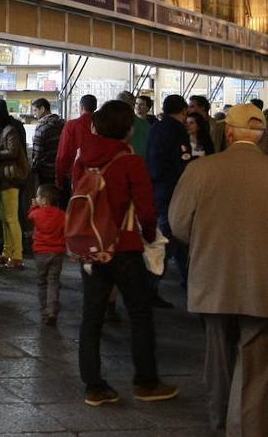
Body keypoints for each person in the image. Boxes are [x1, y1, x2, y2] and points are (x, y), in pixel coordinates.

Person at [169, 103, 268, 436]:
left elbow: (178, 225)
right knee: (256, 362)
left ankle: (219, 421)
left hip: (212, 277)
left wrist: (207, 245)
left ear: (229, 133)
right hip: (266, 282)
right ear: (262, 135)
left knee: (217, 358)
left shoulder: (200, 170)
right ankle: (246, 429)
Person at [72, 99, 178, 407]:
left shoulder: (83, 158)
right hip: (124, 247)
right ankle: (146, 382)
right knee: (140, 313)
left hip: (91, 246)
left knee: (91, 317)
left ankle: (94, 386)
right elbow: (146, 210)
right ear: (129, 130)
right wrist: (149, 238)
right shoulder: (129, 161)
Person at [145, 94, 191, 305]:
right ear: (183, 111)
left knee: (176, 240)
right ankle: (150, 286)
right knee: (170, 240)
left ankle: (189, 280)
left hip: (157, 189)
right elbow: (182, 163)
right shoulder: (177, 130)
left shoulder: (156, 127)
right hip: (172, 191)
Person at [0, 99, 29, 269]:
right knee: (4, 218)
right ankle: (6, 252)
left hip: (9, 178)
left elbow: (12, 152)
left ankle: (17, 256)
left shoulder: (10, 130)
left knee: (11, 218)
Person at [28, 184, 66, 325]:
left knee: (42, 282)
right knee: (54, 281)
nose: (36, 199)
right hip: (57, 253)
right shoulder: (62, 215)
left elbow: (30, 216)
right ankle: (52, 310)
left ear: (44, 200)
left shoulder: (37, 213)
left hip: (41, 254)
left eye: (38, 197)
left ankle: (44, 310)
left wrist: (34, 207)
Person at [56, 94, 97, 197]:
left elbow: (63, 154)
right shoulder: (101, 125)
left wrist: (59, 178)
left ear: (81, 107)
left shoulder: (72, 125)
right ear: (95, 108)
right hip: (95, 176)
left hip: (73, 175)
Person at [30, 98, 64, 192]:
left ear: (42, 109)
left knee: (47, 197)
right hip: (61, 169)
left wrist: (33, 169)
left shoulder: (41, 127)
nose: (34, 114)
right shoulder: (62, 123)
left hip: (46, 171)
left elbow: (37, 153)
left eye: (35, 110)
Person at [118, 91, 150, 158]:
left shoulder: (143, 124)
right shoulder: (137, 122)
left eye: (141, 104)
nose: (137, 106)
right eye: (136, 104)